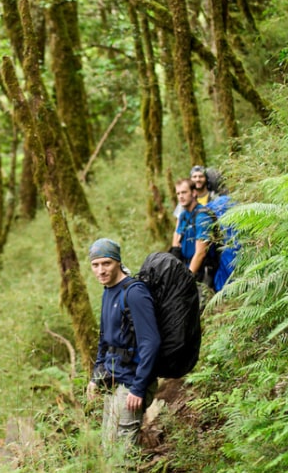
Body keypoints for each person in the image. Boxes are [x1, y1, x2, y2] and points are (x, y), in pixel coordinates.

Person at [86, 239, 161, 450]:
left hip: (132, 382)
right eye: (95, 265)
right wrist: (96, 376)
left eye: (106, 263)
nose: (101, 270)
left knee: (122, 453)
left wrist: (138, 388)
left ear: (118, 262)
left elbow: (151, 342)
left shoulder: (134, 293)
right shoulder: (108, 290)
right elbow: (105, 340)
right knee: (109, 447)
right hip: (113, 378)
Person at [171, 178, 215, 286]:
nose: (181, 196)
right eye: (178, 193)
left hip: (201, 272)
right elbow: (176, 243)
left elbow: (201, 253)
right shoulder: (183, 216)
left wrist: (187, 280)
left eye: (184, 192)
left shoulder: (202, 217)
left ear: (194, 193)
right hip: (185, 268)